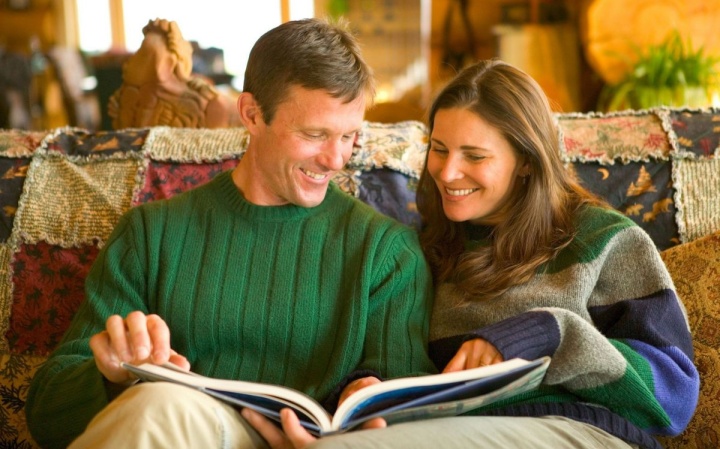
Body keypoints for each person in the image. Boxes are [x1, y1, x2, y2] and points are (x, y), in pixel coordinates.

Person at [25, 18, 436, 449]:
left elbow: (413, 413)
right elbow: (46, 416)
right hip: (180, 432)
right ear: (252, 114)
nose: (335, 159)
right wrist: (110, 376)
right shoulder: (151, 234)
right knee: (159, 404)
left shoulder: (387, 253)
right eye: (315, 134)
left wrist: (363, 407)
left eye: (350, 136)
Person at [306, 59, 700, 449]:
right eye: (439, 149)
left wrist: (550, 333)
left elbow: (674, 396)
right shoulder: (423, 252)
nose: (446, 173)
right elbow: (402, 366)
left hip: (581, 428)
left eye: (474, 157)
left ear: (526, 161)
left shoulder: (603, 240)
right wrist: (364, 386)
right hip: (454, 432)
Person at [108, 18, 239, 129]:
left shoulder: (208, 103)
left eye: (140, 54)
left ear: (164, 66)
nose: (127, 62)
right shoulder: (131, 99)